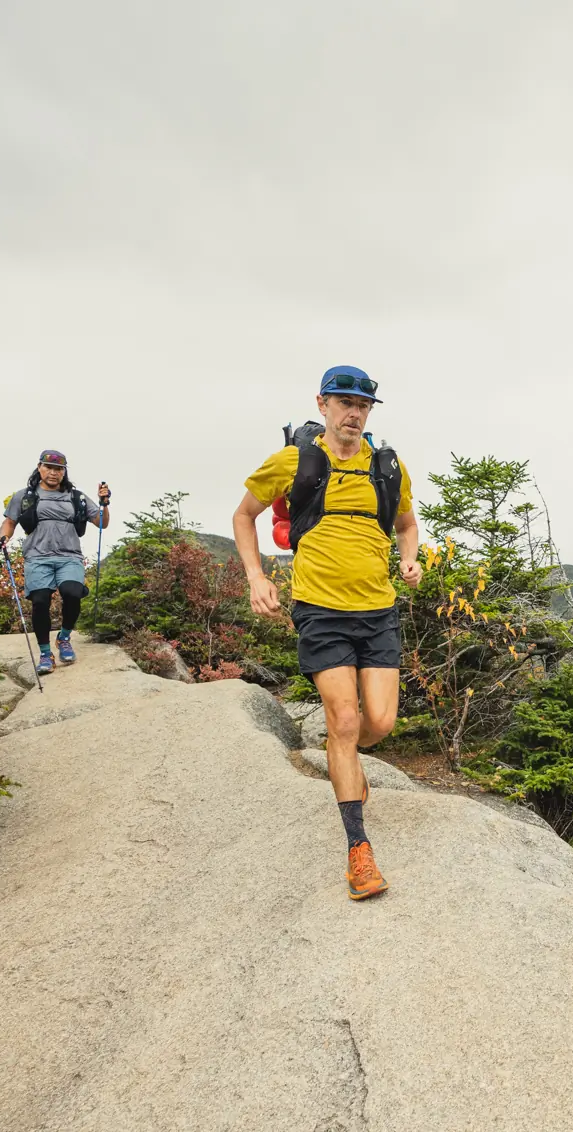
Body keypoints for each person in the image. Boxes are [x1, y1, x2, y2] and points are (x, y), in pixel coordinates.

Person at [233, 366, 422, 901]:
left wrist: (409, 560)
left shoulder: (386, 466)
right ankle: (358, 848)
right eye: (344, 403)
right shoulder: (295, 462)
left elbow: (406, 524)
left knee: (378, 723)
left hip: (378, 610)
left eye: (362, 406)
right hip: (320, 610)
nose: (353, 414)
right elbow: (244, 516)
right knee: (343, 720)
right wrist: (256, 577)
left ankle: (345, 757)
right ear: (323, 404)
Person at [0, 450, 110, 675]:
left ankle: (64, 638)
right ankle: (45, 654)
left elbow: (101, 522)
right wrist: (3, 537)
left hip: (69, 556)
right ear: (39, 467)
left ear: (64, 472)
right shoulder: (24, 496)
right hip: (37, 557)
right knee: (40, 601)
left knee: (73, 593)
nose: (53, 472)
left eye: (58, 469)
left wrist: (104, 504)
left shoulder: (75, 497)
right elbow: (10, 522)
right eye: (48, 467)